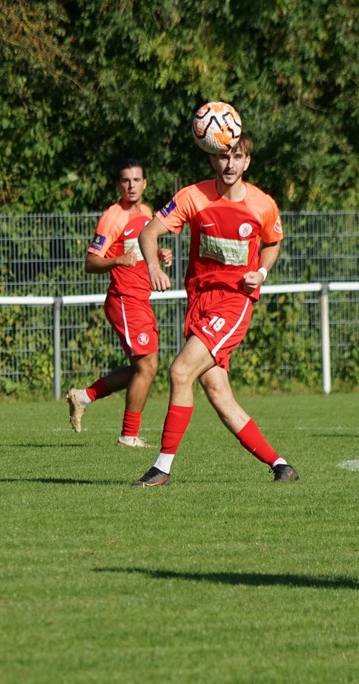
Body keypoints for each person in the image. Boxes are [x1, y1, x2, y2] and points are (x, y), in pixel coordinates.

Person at [131, 131, 298, 486]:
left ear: (247, 161)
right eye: (223, 156)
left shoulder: (262, 204)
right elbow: (148, 233)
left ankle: (162, 468)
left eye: (237, 157)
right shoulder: (193, 196)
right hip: (199, 301)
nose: (229, 164)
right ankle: (281, 465)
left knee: (180, 372)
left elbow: (273, 242)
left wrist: (261, 273)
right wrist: (154, 267)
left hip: (234, 301)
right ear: (212, 158)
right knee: (218, 393)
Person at [65, 159, 173, 447]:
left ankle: (83, 397)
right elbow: (90, 262)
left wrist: (159, 253)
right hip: (124, 299)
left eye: (136, 180)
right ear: (118, 185)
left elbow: (141, 247)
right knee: (147, 366)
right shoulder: (112, 217)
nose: (131, 185)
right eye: (125, 180)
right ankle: (128, 435)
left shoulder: (147, 213)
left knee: (144, 367)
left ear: (145, 183)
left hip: (141, 298)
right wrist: (118, 260)